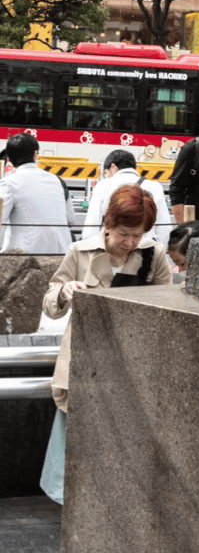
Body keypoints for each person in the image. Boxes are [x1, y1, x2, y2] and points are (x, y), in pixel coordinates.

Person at [40, 184, 172, 503]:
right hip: (86, 359)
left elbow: (170, 307)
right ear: (108, 223)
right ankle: (71, 502)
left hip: (134, 363)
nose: (129, 242)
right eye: (124, 233)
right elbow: (49, 303)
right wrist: (65, 290)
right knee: (76, 435)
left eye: (137, 235)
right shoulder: (79, 252)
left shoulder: (154, 256)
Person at [0, 133, 76, 254]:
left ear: (8, 159)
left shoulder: (8, 184)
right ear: (35, 154)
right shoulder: (58, 181)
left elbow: (0, 222)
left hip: (25, 259)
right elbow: (71, 220)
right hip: (62, 255)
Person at [81, 149, 172, 245]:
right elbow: (164, 226)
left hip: (113, 246)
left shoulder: (103, 185)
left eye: (105, 173)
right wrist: (160, 249)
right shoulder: (155, 187)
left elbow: (91, 225)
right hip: (146, 248)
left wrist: (90, 248)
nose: (106, 176)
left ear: (113, 167)